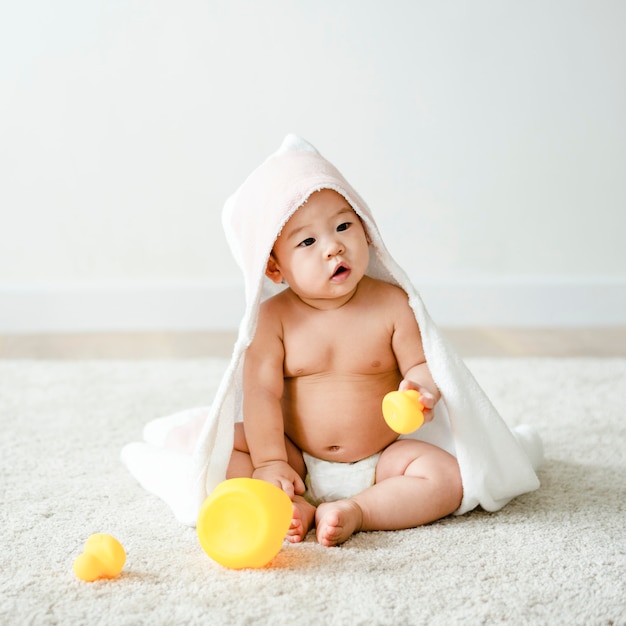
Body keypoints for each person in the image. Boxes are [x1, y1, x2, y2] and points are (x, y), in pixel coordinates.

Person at [226, 187, 463, 547]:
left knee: (446, 477)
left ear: (366, 232)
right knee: (222, 448)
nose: (333, 247)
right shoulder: (273, 318)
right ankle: (296, 505)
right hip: (296, 460)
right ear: (275, 267)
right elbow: (260, 393)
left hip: (382, 458)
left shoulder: (393, 304)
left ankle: (360, 510)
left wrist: (421, 389)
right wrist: (271, 461)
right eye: (307, 241)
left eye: (343, 227)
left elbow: (420, 363)